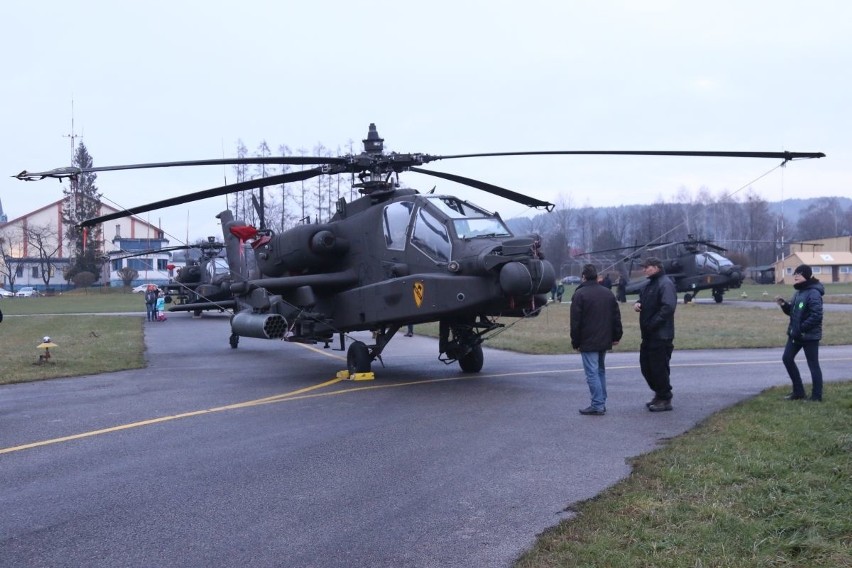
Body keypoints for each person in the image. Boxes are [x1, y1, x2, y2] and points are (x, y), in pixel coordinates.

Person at [571, 264, 623, 416]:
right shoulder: (607, 293)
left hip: (588, 340)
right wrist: (616, 335)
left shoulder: (580, 294)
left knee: (592, 373)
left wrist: (575, 341)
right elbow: (616, 317)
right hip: (604, 338)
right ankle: (601, 401)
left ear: (584, 277)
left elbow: (575, 322)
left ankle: (597, 404)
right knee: (600, 371)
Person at [775, 264, 824, 401]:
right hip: (795, 334)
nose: (796, 276)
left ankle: (816, 396)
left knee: (813, 364)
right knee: (787, 358)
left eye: (799, 274)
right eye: (795, 273)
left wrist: (801, 328)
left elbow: (816, 316)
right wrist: (784, 305)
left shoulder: (813, 292)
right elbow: (794, 312)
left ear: (807, 276)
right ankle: (798, 392)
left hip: (809, 336)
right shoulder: (799, 292)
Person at [634, 257, 677, 412]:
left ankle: (665, 398)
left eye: (647, 267)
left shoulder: (665, 284)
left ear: (657, 267)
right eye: (644, 267)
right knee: (646, 367)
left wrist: (652, 323)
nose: (644, 269)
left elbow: (668, 307)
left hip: (661, 335)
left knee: (659, 368)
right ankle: (659, 394)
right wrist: (638, 304)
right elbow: (645, 300)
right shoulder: (649, 285)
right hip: (648, 335)